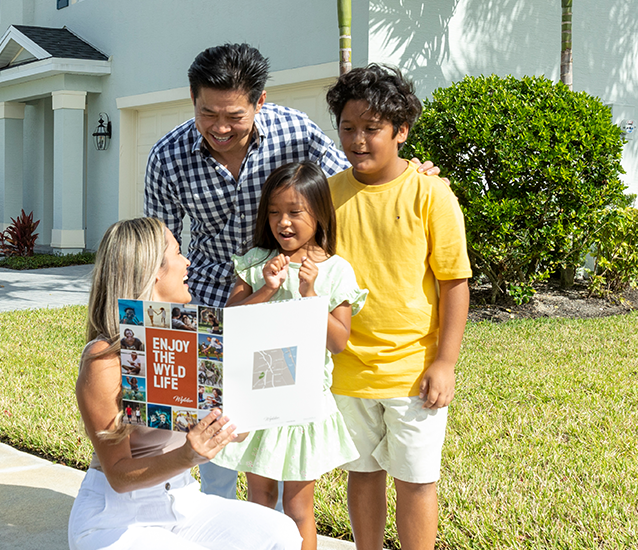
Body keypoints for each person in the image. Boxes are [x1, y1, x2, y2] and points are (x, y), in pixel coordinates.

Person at [144, 42, 440, 500]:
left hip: (285, 312)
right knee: (210, 435)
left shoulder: (294, 131)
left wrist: (408, 170)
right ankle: (214, 520)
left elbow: (352, 176)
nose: (220, 128)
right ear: (192, 97)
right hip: (212, 303)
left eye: (234, 116)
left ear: (259, 102)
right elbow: (159, 248)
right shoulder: (167, 156)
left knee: (276, 433)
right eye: (208, 114)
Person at [68, 217, 302, 550]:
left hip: (183, 501)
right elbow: (119, 475)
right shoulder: (105, 360)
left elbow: (235, 429)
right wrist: (188, 455)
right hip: (115, 519)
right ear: (154, 272)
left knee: (280, 533)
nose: (188, 262)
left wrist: (236, 420)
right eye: (178, 252)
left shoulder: (193, 339)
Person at [325, 64, 470, 550]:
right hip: (347, 369)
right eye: (348, 128)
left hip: (413, 372)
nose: (358, 140)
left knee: (416, 479)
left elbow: (455, 283)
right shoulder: (326, 195)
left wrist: (445, 362)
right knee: (362, 474)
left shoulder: (432, 193)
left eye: (372, 129)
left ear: (401, 131)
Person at [213, 161, 367, 550]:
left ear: (319, 213)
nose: (284, 223)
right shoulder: (255, 262)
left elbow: (338, 342)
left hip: (301, 403)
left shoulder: (334, 271)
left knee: (298, 506)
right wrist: (266, 287)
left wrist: (311, 294)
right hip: (258, 397)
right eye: (275, 212)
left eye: (295, 212)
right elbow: (229, 322)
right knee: (259, 502)